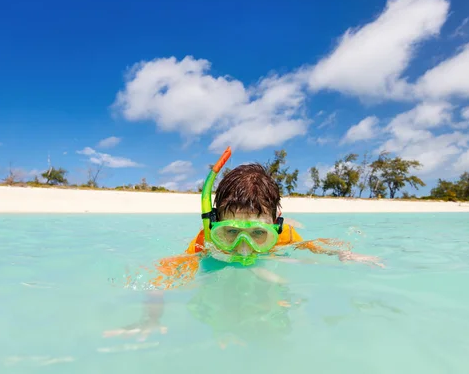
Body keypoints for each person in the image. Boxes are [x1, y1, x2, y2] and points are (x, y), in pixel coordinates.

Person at [103, 147, 383, 343]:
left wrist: (343, 253)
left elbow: (315, 246)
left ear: (276, 226)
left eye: (258, 235)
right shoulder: (205, 240)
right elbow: (162, 274)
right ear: (213, 225)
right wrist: (151, 318)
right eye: (231, 233)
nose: (243, 247)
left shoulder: (284, 236)